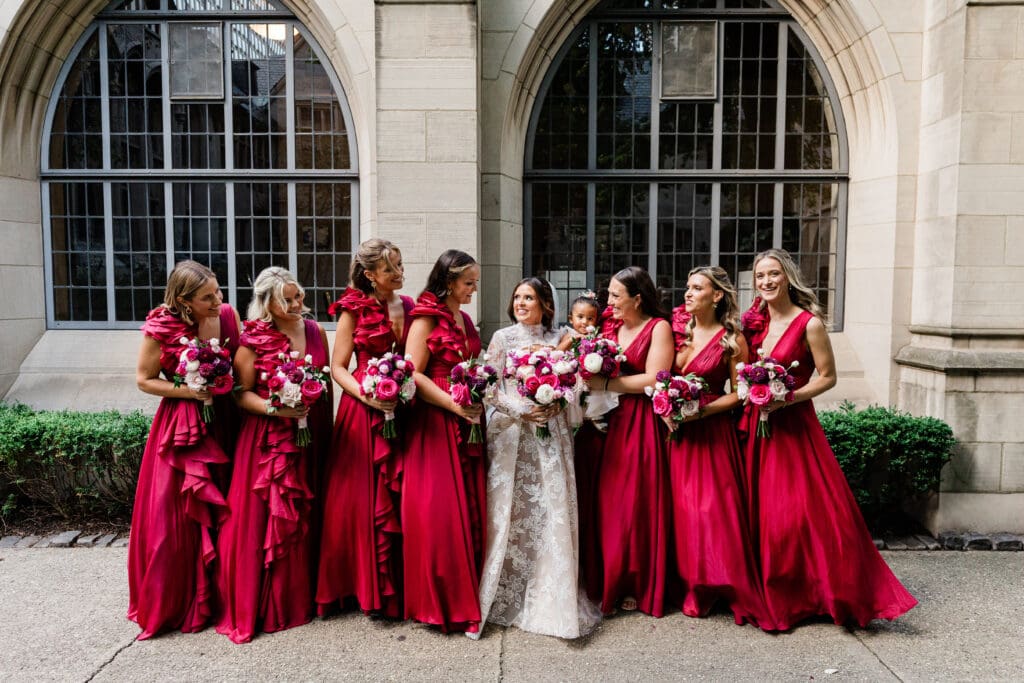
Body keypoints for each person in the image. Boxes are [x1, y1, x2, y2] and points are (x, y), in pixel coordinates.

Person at [740, 248, 917, 630]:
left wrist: (789, 396)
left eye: (773, 274)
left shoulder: (809, 324)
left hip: (794, 428)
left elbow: (827, 376)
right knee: (764, 512)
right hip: (758, 426)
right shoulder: (753, 324)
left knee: (798, 513)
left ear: (787, 276)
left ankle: (820, 592)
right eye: (759, 276)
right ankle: (777, 591)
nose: (766, 282)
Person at [472, 277, 601, 639]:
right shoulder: (502, 339)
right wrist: (520, 409)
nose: (521, 303)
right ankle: (503, 590)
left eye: (529, 297)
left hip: (550, 433)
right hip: (512, 434)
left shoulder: (560, 337)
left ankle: (549, 595)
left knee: (547, 510)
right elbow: (489, 387)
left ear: (546, 304)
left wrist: (556, 400)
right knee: (512, 512)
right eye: (517, 297)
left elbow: (576, 383)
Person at [215, 267, 332, 643]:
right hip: (266, 441)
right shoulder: (252, 340)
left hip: (309, 434)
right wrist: (274, 409)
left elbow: (325, 384)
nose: (299, 304)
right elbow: (240, 393)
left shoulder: (314, 332)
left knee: (307, 511)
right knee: (263, 518)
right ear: (268, 303)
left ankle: (308, 594)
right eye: (289, 299)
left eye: (299, 296)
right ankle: (268, 600)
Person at [128, 260, 241, 639]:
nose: (218, 300)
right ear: (184, 300)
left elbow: (240, 369)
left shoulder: (227, 316)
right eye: (208, 297)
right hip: (181, 428)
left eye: (218, 291)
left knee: (227, 507)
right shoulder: (160, 326)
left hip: (224, 420)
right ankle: (178, 600)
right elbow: (144, 380)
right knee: (172, 518)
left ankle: (224, 598)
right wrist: (189, 391)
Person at [316, 239, 413, 618]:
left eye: (401, 264)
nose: (400, 273)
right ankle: (361, 587)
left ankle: (399, 584)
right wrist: (367, 395)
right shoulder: (351, 311)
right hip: (363, 410)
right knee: (360, 500)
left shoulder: (409, 307)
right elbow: (338, 366)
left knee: (400, 494)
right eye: (391, 269)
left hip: (403, 407)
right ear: (370, 275)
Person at [663, 266, 765, 625]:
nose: (687, 293)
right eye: (687, 287)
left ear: (716, 295)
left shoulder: (732, 339)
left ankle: (720, 583)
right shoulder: (680, 334)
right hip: (677, 433)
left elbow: (741, 394)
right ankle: (691, 584)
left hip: (711, 433)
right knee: (682, 509)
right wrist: (667, 406)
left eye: (697, 288)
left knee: (710, 511)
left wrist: (701, 410)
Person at [401, 250, 487, 633]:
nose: (473, 289)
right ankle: (439, 601)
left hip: (466, 421)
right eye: (468, 282)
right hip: (434, 423)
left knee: (468, 510)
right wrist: (455, 404)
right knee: (439, 514)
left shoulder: (465, 319)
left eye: (475, 283)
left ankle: (469, 592)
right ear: (449, 281)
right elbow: (412, 374)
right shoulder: (424, 318)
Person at [594, 266, 674, 617]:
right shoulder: (609, 327)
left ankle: (636, 582)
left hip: (640, 421)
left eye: (615, 295)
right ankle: (608, 576)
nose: (608, 301)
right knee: (607, 503)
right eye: (609, 294)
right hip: (605, 420)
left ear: (637, 298)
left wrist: (608, 385)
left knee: (635, 504)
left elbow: (656, 380)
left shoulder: (659, 328)